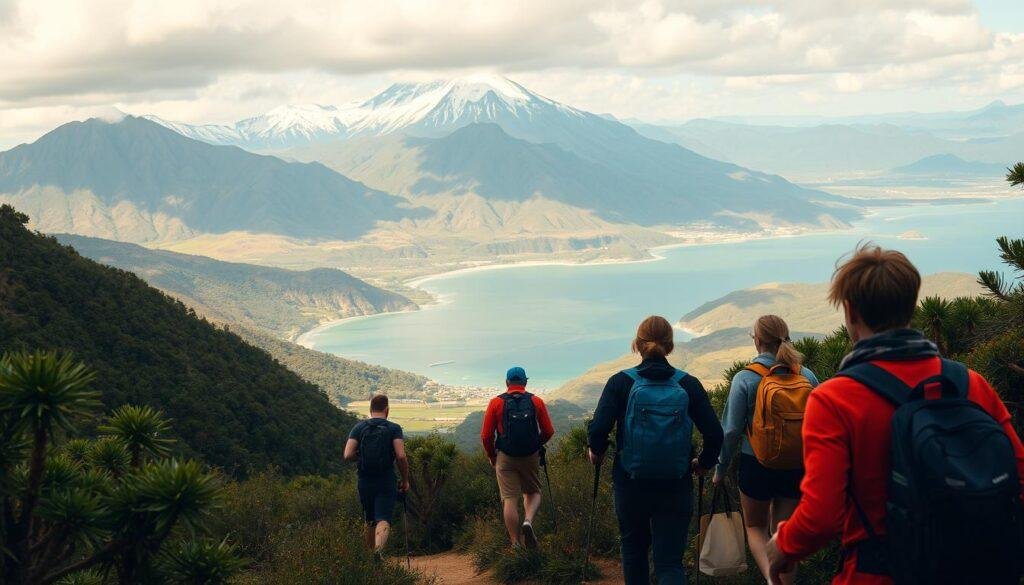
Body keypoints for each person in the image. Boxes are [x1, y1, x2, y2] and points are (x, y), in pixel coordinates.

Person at [765, 245, 1024, 585]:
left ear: (851, 311)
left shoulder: (833, 400)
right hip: (976, 569)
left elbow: (821, 517)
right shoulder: (967, 383)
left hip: (877, 573)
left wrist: (782, 546)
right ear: (911, 306)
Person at [588, 315, 723, 585]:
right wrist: (703, 464)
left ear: (637, 345)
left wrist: (597, 451)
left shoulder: (620, 383)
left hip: (630, 483)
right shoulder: (688, 384)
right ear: (670, 346)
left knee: (634, 551)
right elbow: (715, 434)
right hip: (676, 483)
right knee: (669, 562)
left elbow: (597, 430)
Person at [715, 314, 819, 585]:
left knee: (755, 527)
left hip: (756, 465)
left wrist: (720, 469)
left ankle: (773, 581)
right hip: (796, 467)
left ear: (757, 341)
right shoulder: (806, 376)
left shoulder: (745, 379)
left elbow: (731, 431)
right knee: (783, 535)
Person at [480, 366, 555, 548]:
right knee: (533, 492)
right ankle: (528, 521)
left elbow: (486, 435)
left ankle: (515, 543)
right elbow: (549, 431)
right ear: (525, 382)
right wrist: (537, 444)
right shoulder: (536, 401)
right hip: (530, 455)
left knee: (509, 498)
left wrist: (492, 455)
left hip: (505, 456)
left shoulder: (496, 403)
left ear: (507, 383)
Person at [344, 394, 410, 558]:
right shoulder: (393, 428)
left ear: (370, 409)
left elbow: (347, 454)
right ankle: (378, 552)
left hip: (365, 479)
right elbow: (401, 456)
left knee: (370, 519)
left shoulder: (359, 428)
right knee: (383, 518)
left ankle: (369, 559)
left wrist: (362, 458)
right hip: (386, 478)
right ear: (387, 410)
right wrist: (405, 479)